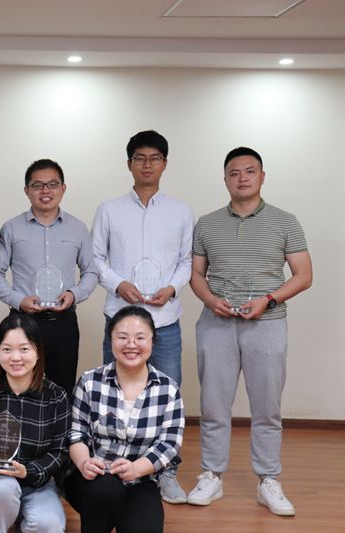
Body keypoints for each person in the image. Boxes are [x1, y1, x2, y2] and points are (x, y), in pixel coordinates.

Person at [187, 147, 313, 516]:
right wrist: (211, 300)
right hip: (216, 323)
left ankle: (268, 480)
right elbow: (196, 275)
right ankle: (211, 475)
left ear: (262, 176)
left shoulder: (285, 221)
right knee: (213, 405)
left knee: (267, 407)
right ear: (225, 179)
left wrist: (268, 300)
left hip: (267, 324)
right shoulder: (206, 224)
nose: (242, 178)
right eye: (234, 172)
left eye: (250, 171)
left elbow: (304, 275)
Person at [90, 129, 193, 503]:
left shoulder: (181, 211)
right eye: (140, 158)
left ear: (164, 164)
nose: (147, 164)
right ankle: (115, 465)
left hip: (164, 319)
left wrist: (172, 288)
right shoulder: (109, 209)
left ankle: (165, 472)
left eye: (154, 158)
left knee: (167, 395)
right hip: (120, 317)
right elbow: (95, 258)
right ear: (129, 163)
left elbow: (186, 261)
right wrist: (119, 284)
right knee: (115, 394)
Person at [64, 306, 184, 533]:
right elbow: (76, 433)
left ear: (152, 341)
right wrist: (84, 462)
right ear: (110, 341)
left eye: (140, 338)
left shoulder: (168, 389)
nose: (131, 345)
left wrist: (136, 469)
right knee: (106, 491)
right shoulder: (90, 382)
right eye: (122, 337)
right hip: (94, 477)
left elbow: (169, 444)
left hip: (140, 479)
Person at [0, 158, 98, 395]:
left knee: (62, 390)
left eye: (52, 184)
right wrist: (18, 300)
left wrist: (74, 294)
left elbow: (91, 271)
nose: (45, 191)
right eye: (37, 185)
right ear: (27, 191)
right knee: (19, 388)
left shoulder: (78, 228)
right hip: (23, 321)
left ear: (63, 188)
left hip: (63, 322)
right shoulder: (11, 228)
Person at [0, 313, 70, 533]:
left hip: (36, 486)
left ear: (38, 352)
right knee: (4, 488)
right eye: (7, 349)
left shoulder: (56, 397)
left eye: (24, 349)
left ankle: (22, 520)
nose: (15, 357)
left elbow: (60, 452)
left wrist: (28, 471)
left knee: (49, 525)